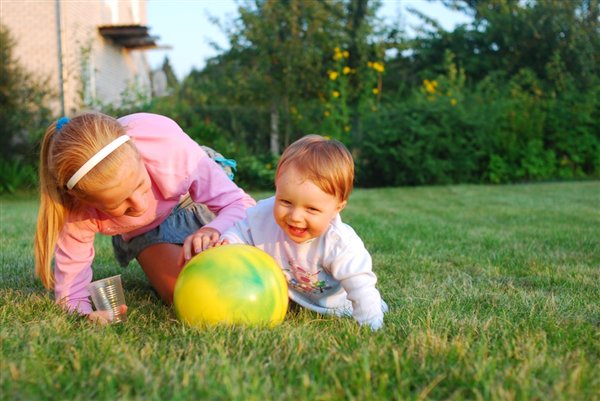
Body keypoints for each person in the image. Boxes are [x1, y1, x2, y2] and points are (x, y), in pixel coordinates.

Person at [34, 112, 256, 324]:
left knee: (245, 262)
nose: (139, 205)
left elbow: (240, 204)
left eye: (140, 184)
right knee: (183, 292)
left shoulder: (172, 151)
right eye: (119, 203)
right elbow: (70, 294)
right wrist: (83, 314)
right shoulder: (78, 211)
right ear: (86, 201)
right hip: (146, 230)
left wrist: (213, 229)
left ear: (139, 155)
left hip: (191, 196)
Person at [215, 135, 387, 331]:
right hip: (290, 300)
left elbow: (361, 287)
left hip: (338, 308)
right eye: (285, 202)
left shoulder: (339, 243)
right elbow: (240, 231)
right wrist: (228, 243)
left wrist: (371, 326)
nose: (295, 216)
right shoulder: (262, 216)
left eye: (311, 209)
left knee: (365, 300)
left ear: (337, 208)